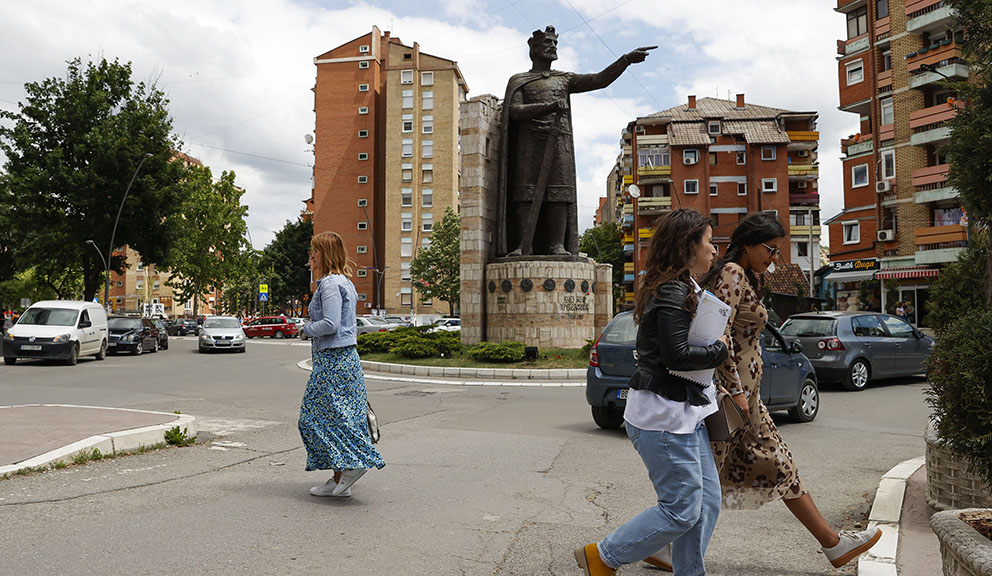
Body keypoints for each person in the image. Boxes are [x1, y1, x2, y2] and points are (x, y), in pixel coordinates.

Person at [698, 211, 881, 569]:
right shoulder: (732, 274)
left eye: (778, 251)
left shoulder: (745, 276)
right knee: (704, 478)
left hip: (747, 399)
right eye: (770, 249)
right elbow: (717, 339)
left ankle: (833, 543)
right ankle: (661, 548)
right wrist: (735, 392)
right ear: (747, 244)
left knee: (781, 466)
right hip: (730, 399)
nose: (775, 257)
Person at [575, 209, 730, 576]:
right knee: (681, 508)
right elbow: (676, 355)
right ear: (689, 245)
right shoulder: (672, 290)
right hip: (663, 416)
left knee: (706, 504)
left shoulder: (685, 287)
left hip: (687, 413)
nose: (714, 250)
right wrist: (720, 349)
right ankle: (604, 556)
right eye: (709, 242)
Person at [496, 26, 652, 257]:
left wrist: (625, 60)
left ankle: (557, 245)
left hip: (558, 143)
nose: (552, 47)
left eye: (554, 44)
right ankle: (521, 245)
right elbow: (515, 111)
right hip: (529, 144)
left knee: (559, 193)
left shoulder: (564, 79)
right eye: (547, 44)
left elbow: (599, 80)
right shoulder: (520, 80)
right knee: (525, 192)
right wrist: (548, 107)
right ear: (534, 50)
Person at [298, 231, 384, 498]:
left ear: (326, 254)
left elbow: (331, 324)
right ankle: (338, 479)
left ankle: (354, 465)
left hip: (333, 361)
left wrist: (306, 329)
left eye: (315, 250)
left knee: (312, 419)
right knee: (339, 418)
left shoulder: (329, 284)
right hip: (342, 360)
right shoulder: (343, 281)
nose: (311, 256)